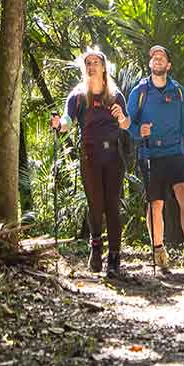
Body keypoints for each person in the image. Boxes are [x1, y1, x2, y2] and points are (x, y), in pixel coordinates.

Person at [49, 47, 131, 276]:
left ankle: (114, 257)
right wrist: (59, 124)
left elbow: (126, 124)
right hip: (90, 156)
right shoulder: (78, 96)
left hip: (113, 156)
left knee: (112, 205)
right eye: (88, 63)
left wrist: (121, 117)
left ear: (104, 67)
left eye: (96, 62)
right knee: (95, 205)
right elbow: (67, 120)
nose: (92, 66)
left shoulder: (115, 95)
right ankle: (96, 247)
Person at [126, 44, 184, 274]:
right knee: (155, 204)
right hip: (152, 154)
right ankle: (159, 253)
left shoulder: (178, 91)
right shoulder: (139, 92)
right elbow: (128, 123)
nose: (157, 59)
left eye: (162, 56)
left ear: (168, 65)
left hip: (177, 152)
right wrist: (139, 132)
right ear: (150, 64)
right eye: (153, 57)